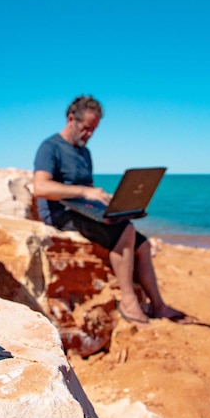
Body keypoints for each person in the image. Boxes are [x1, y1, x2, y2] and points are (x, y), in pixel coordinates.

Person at [33, 94, 184, 326]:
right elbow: (40, 187)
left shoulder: (84, 152)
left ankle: (158, 305)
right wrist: (85, 193)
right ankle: (128, 300)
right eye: (86, 128)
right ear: (71, 118)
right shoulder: (50, 147)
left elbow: (88, 188)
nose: (89, 134)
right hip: (60, 213)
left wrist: (109, 202)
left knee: (142, 245)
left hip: (83, 209)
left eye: (94, 129)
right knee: (126, 231)